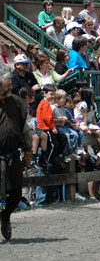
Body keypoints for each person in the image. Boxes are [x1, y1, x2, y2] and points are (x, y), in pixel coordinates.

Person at [0, 73, 31, 241]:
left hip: (12, 153)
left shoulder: (17, 102)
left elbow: (24, 127)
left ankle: (5, 217)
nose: (11, 88)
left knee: (16, 192)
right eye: (7, 86)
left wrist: (28, 150)